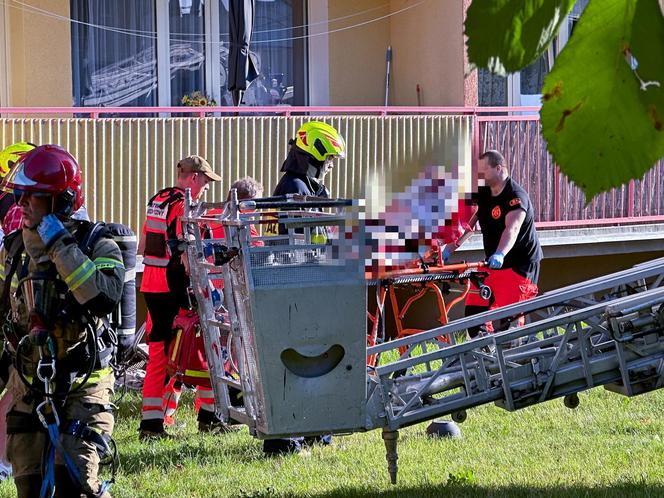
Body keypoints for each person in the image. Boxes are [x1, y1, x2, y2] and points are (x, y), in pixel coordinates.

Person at [0, 145, 125, 498]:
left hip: (83, 386)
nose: (20, 203)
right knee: (30, 486)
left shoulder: (98, 243)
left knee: (72, 483)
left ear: (61, 201)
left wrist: (58, 243)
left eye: (31, 196)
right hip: (29, 387)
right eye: (18, 194)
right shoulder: (13, 250)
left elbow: (103, 299)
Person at [264, 122, 345, 455]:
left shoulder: (303, 185)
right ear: (314, 153)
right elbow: (297, 238)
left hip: (303, 282)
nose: (329, 167)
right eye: (328, 160)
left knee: (314, 357)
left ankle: (313, 431)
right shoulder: (294, 187)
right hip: (293, 282)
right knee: (294, 361)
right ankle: (284, 440)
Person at [138, 155, 224, 439]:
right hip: (172, 287)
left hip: (151, 284)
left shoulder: (159, 199)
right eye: (207, 182)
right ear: (195, 177)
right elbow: (183, 246)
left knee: (159, 355)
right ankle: (202, 418)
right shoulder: (182, 203)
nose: (207, 188)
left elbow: (145, 243)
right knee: (195, 348)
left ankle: (153, 422)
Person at [463, 150, 542, 336]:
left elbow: (512, 229)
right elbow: (468, 224)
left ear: (498, 169)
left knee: (510, 321)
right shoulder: (484, 193)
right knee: (475, 308)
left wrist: (500, 253)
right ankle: (482, 353)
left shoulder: (516, 196)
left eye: (483, 171)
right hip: (492, 265)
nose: (479, 176)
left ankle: (512, 359)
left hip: (518, 265)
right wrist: (448, 248)